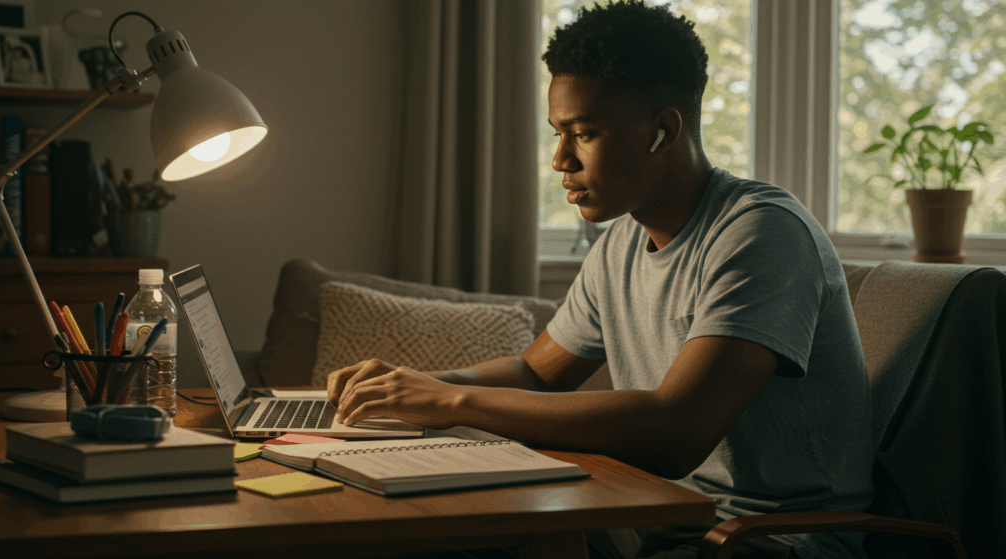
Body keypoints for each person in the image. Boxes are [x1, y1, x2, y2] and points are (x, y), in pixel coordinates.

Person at [327, 1, 873, 558]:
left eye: (583, 133)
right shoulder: (619, 246)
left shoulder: (762, 234)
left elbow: (675, 432)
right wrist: (404, 388)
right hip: (665, 528)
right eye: (557, 134)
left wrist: (455, 403)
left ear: (662, 131)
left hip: (777, 541)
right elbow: (536, 373)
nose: (560, 159)